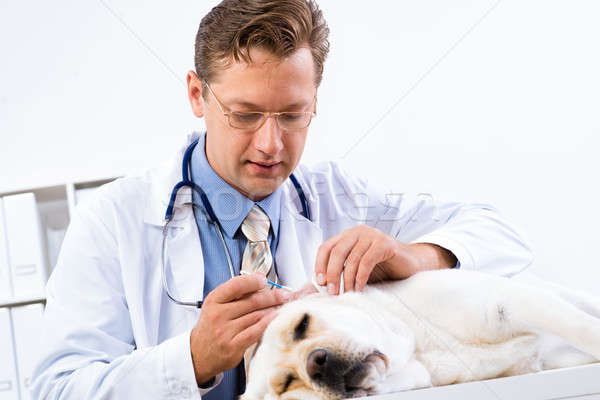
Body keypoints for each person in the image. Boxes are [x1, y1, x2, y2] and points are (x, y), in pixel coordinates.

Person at [31, 0, 533, 399]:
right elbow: (55, 389)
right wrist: (192, 359)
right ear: (196, 95)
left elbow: (502, 235)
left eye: (293, 115)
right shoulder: (113, 220)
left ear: (315, 98)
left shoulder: (339, 197)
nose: (272, 145)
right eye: (245, 115)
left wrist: (413, 256)